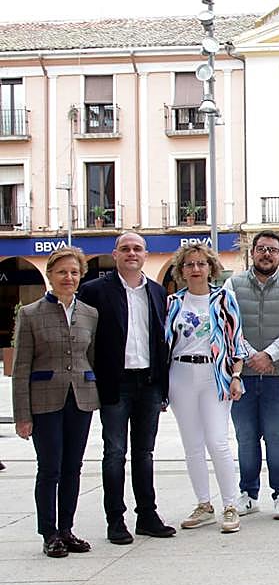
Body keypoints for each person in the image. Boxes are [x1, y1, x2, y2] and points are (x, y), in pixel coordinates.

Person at [78, 232, 175, 544]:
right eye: (125, 249)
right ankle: (115, 520)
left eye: (137, 249)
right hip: (115, 384)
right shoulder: (94, 291)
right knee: (114, 453)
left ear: (145, 254)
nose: (131, 253)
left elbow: (162, 340)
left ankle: (147, 515)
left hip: (149, 383)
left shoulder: (157, 292)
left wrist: (163, 387)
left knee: (144, 453)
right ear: (115, 254)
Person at [11, 247, 99, 558]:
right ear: (50, 275)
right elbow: (21, 367)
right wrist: (22, 415)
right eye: (62, 272)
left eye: (74, 272)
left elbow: (91, 358)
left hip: (80, 399)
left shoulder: (90, 314)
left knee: (73, 467)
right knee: (50, 468)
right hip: (45, 400)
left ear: (81, 276)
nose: (68, 277)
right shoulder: (30, 313)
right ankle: (49, 533)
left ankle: (66, 529)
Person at [166, 243, 250, 534]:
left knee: (217, 441)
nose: (196, 269)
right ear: (181, 270)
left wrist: (236, 375)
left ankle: (230, 504)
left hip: (214, 375)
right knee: (192, 444)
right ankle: (204, 504)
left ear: (210, 268)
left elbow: (236, 340)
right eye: (189, 264)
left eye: (201, 263)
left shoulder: (224, 298)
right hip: (180, 375)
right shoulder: (173, 302)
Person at [225, 230, 279, 520]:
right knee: (246, 436)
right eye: (261, 249)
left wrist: (269, 355)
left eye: (272, 250)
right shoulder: (232, 285)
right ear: (253, 253)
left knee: (276, 435)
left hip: (278, 373)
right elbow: (230, 325)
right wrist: (252, 356)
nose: (266, 254)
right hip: (242, 374)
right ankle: (248, 495)